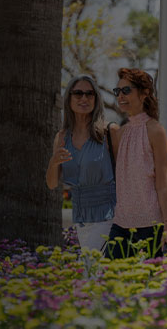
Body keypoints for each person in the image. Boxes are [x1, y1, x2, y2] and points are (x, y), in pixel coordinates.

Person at [105, 68, 167, 259]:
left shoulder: (155, 131)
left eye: (126, 90)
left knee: (162, 286)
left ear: (144, 93)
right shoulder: (120, 134)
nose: (120, 96)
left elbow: (164, 184)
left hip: (153, 225)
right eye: (117, 91)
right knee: (110, 283)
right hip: (122, 223)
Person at [46, 75, 116, 251]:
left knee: (90, 269)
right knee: (94, 273)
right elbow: (52, 183)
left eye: (89, 94)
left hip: (109, 215)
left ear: (96, 99)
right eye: (78, 93)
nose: (84, 98)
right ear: (68, 98)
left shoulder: (109, 132)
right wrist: (53, 162)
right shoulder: (62, 137)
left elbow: (126, 174)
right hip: (81, 218)